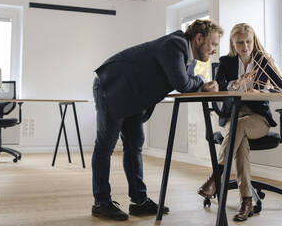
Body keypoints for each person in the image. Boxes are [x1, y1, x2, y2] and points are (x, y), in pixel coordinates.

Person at [91, 20, 224, 220]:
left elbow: (186, 81)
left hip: (133, 94)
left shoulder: (189, 58)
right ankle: (101, 202)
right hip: (112, 85)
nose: (214, 50)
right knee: (105, 146)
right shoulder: (175, 45)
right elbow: (183, 83)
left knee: (135, 145)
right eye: (213, 44)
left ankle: (139, 200)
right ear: (198, 38)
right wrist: (203, 83)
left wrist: (198, 83)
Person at [197, 23, 282, 222]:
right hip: (232, 115)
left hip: (258, 119)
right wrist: (237, 84)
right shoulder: (226, 62)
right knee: (240, 144)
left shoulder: (263, 62)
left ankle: (216, 176)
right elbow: (220, 90)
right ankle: (246, 201)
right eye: (240, 43)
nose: (245, 46)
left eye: (248, 41)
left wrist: (262, 92)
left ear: (253, 40)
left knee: (238, 130)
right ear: (233, 43)